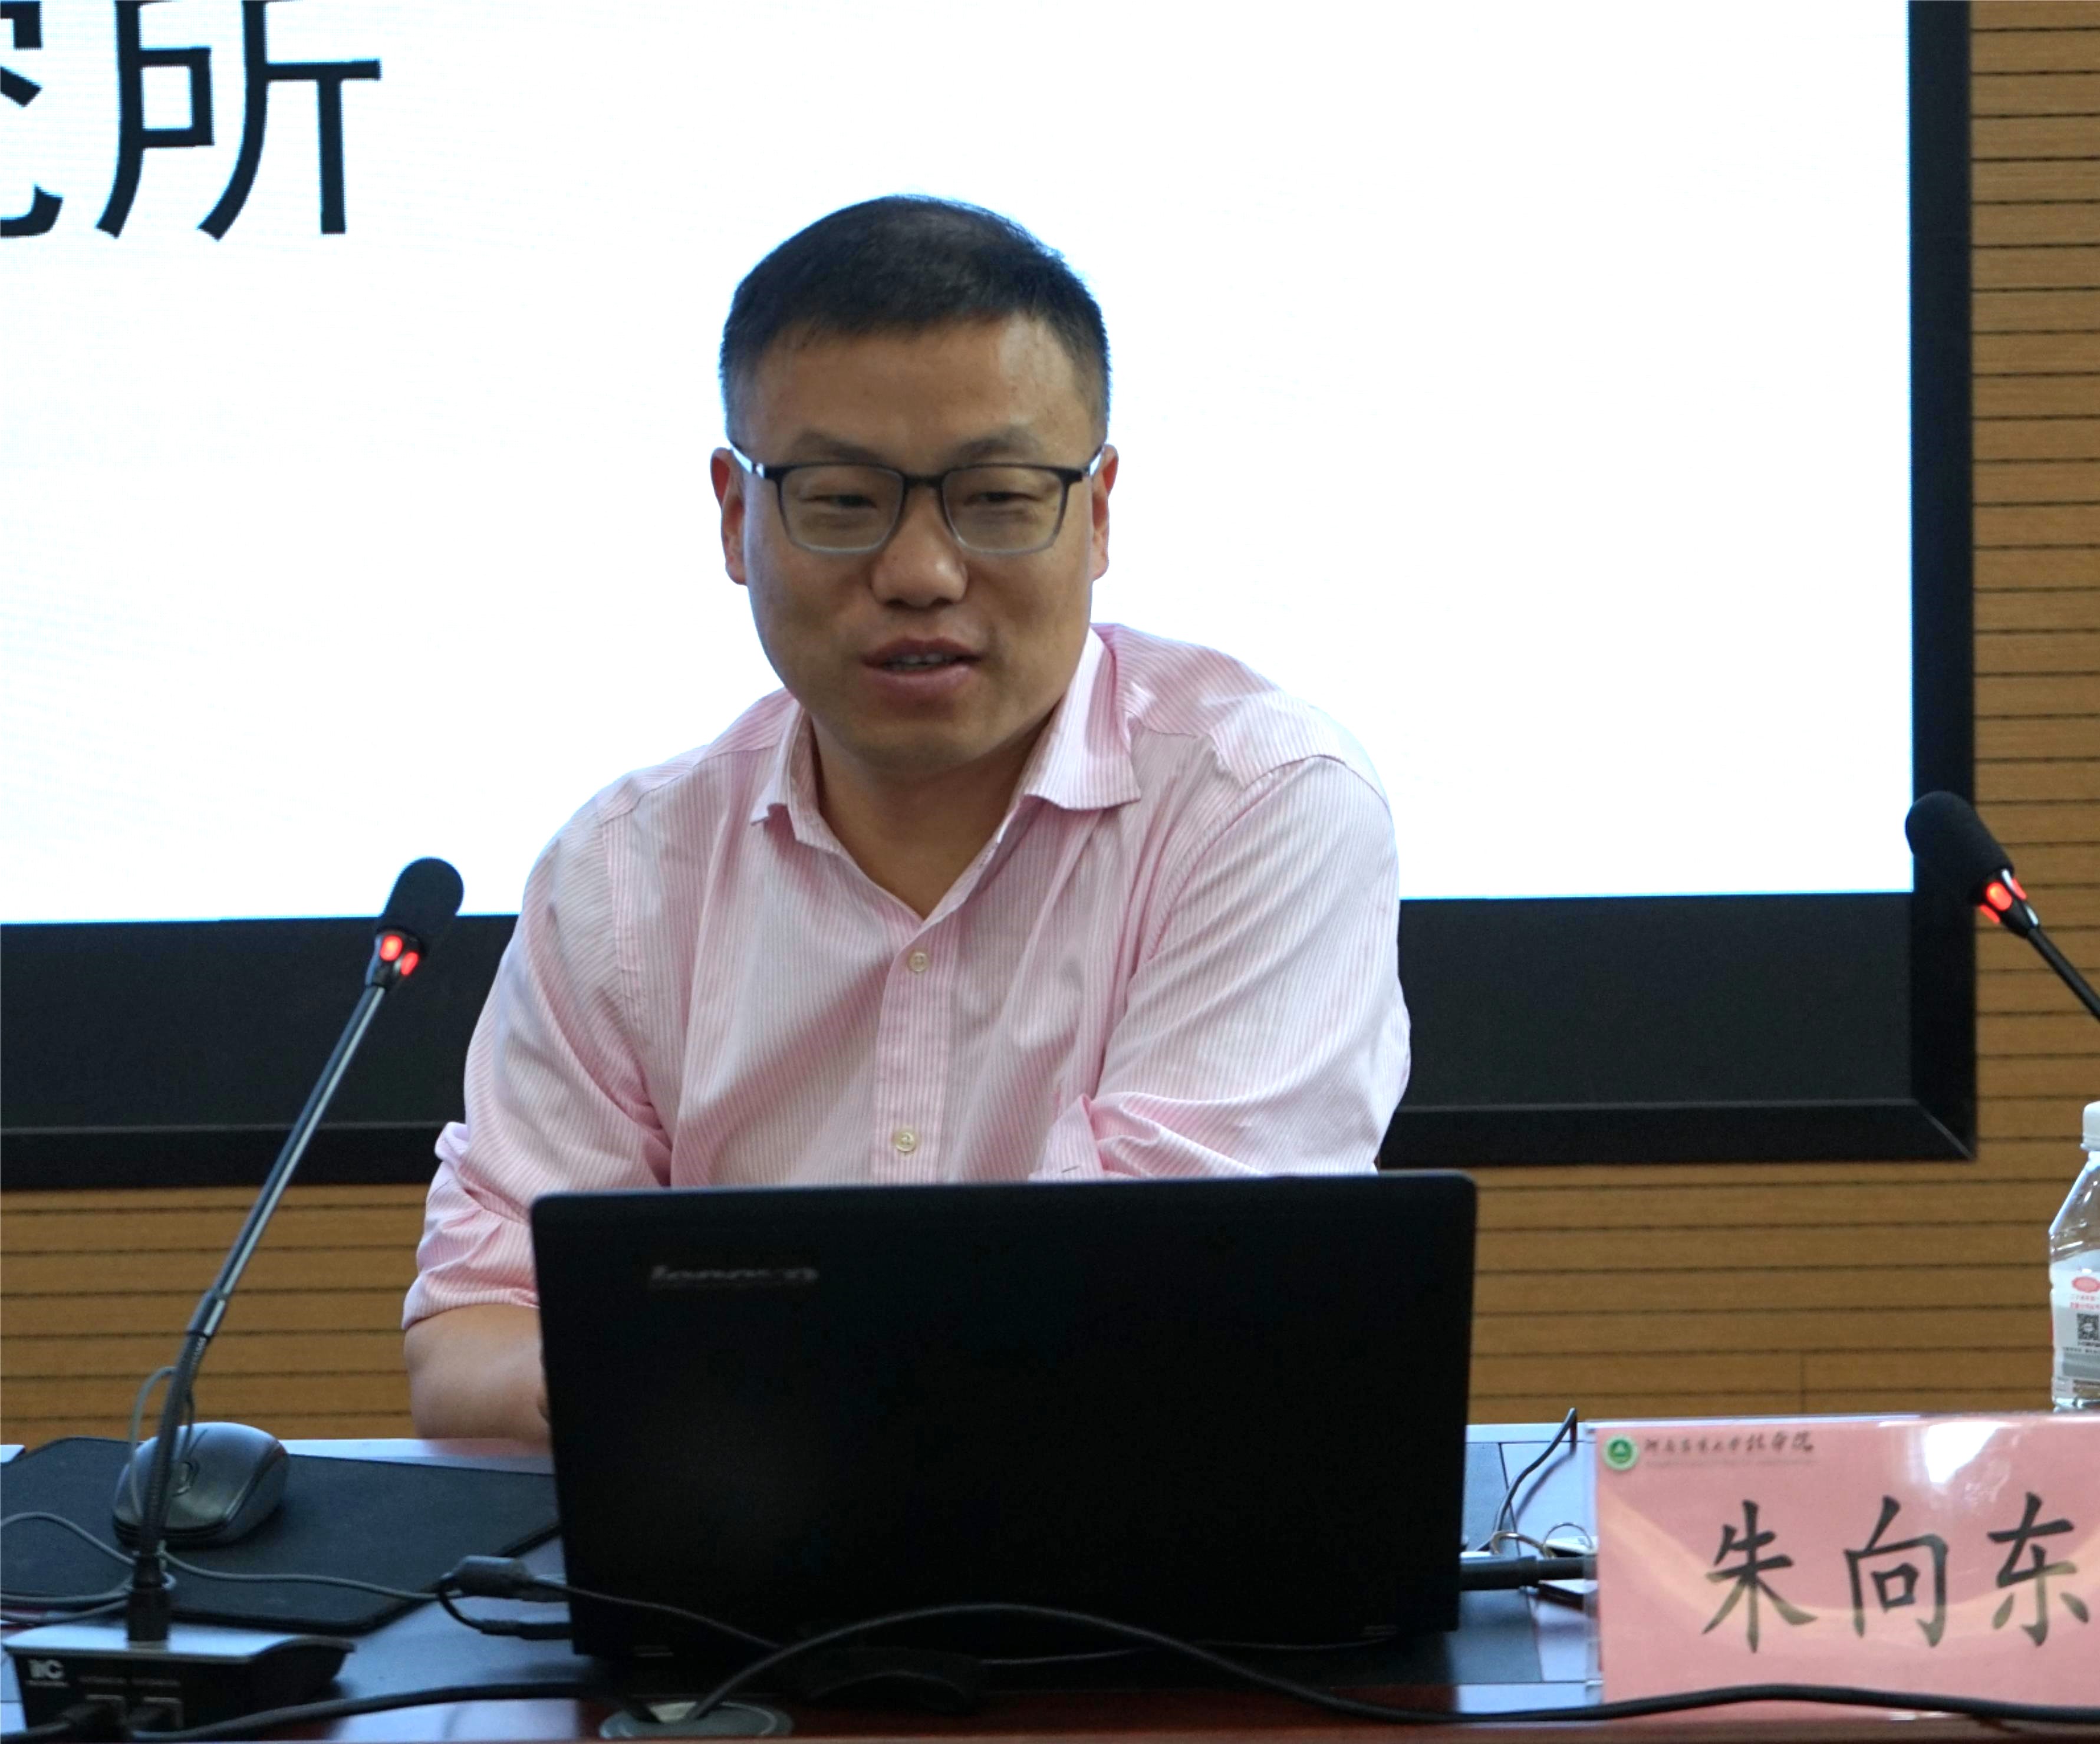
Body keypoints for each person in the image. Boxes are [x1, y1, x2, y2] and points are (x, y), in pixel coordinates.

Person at [403, 196, 1409, 1442]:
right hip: (727, 1549)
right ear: (736, 517)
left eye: (996, 497)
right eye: (841, 500)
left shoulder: (1257, 802)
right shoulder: (621, 872)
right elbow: (475, 1328)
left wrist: (707, 1369)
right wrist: (640, 1383)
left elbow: (1167, 1306)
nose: (921, 573)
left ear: (1096, 512)